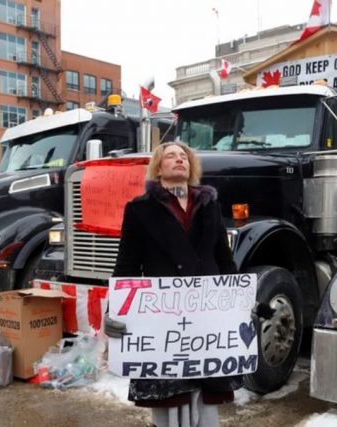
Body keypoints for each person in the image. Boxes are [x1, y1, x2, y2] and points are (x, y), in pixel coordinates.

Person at [106, 141, 240, 427]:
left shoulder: (209, 205)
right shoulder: (139, 210)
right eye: (171, 156)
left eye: (184, 157)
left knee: (206, 390)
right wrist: (113, 310)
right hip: (164, 319)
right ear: (159, 167)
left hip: (206, 313)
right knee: (169, 396)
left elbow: (224, 259)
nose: (179, 160)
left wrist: (241, 302)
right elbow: (127, 265)